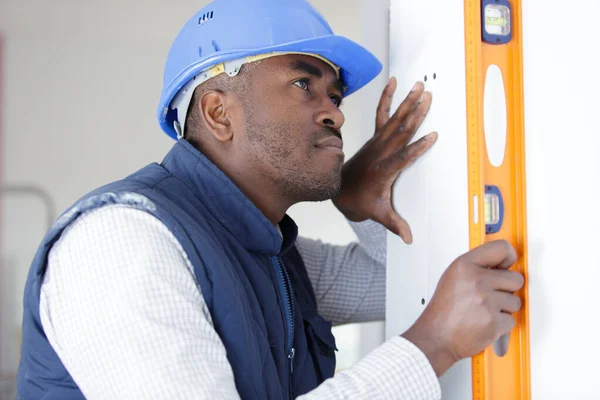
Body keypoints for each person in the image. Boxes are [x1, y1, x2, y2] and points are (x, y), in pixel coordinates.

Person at [16, 0, 524, 399]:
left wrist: (359, 207)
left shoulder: (275, 255)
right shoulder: (120, 242)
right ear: (218, 113)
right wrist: (432, 346)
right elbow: (437, 314)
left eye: (336, 96)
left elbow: (416, 286)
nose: (336, 115)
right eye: (304, 83)